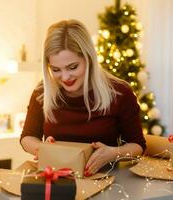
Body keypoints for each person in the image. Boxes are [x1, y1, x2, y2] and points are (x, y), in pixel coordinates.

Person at [20, 19, 146, 176]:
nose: (65, 77)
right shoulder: (42, 92)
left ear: (89, 59)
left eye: (72, 67)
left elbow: (138, 146)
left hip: (105, 182)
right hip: (57, 182)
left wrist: (113, 153)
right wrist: (42, 149)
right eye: (56, 69)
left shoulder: (119, 92)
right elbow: (27, 137)